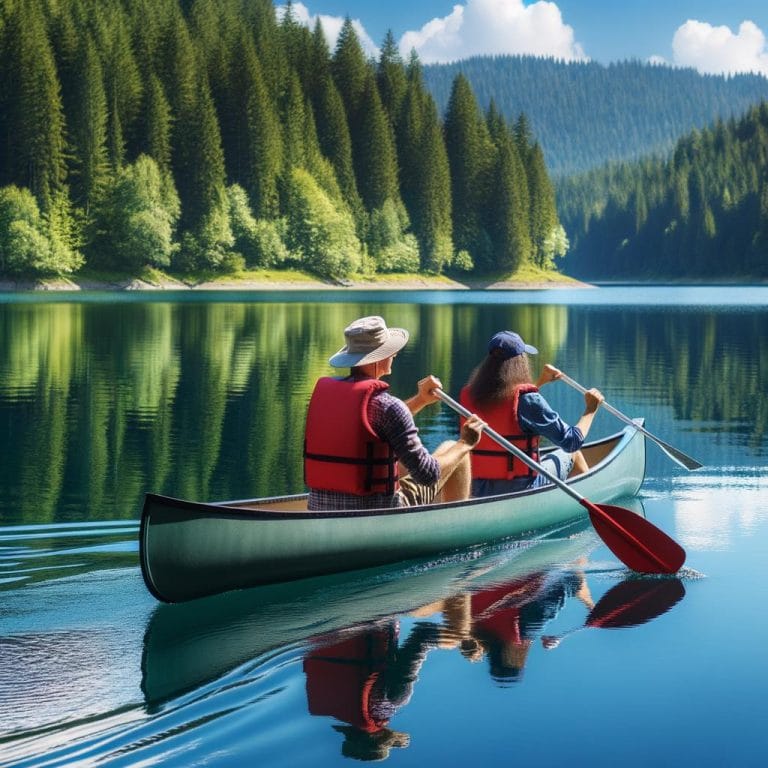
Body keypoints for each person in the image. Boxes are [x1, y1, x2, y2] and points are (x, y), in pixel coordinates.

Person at [304, 315, 485, 511]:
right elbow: (428, 474)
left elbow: (377, 425)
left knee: (398, 462)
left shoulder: (331, 399)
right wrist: (465, 442)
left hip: (320, 508)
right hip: (378, 511)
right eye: (390, 351)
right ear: (377, 359)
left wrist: (420, 400)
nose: (395, 354)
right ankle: (452, 531)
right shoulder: (388, 406)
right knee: (454, 449)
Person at [459, 330, 604, 497]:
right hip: (519, 489)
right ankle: (590, 503)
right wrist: (590, 409)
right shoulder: (527, 400)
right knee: (573, 454)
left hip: (476, 488)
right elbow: (572, 441)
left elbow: (511, 409)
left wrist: (540, 382)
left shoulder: (469, 396)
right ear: (520, 362)